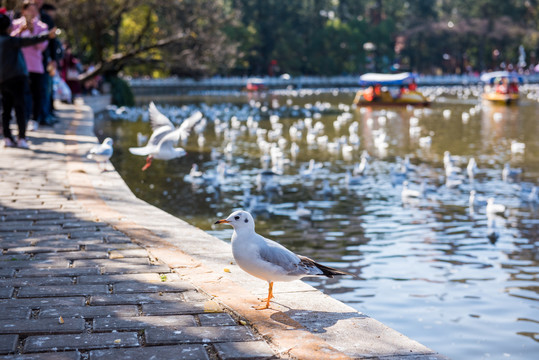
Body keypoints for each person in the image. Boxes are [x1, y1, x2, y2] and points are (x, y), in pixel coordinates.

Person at [0, 12, 56, 148]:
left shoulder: (6, 40)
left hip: (2, 80)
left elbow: (15, 37)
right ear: (8, 27)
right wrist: (47, 36)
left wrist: (19, 30)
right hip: (17, 78)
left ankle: (7, 137)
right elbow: (29, 41)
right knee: (20, 107)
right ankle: (21, 138)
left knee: (5, 109)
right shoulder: (11, 41)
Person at [10, 1, 49, 126]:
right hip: (18, 66)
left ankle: (34, 119)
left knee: (36, 94)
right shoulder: (15, 24)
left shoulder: (42, 27)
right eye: (29, 10)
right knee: (20, 94)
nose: (32, 13)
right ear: (23, 11)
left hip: (35, 66)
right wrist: (21, 31)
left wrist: (33, 33)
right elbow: (9, 41)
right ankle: (22, 119)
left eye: (34, 10)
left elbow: (42, 46)